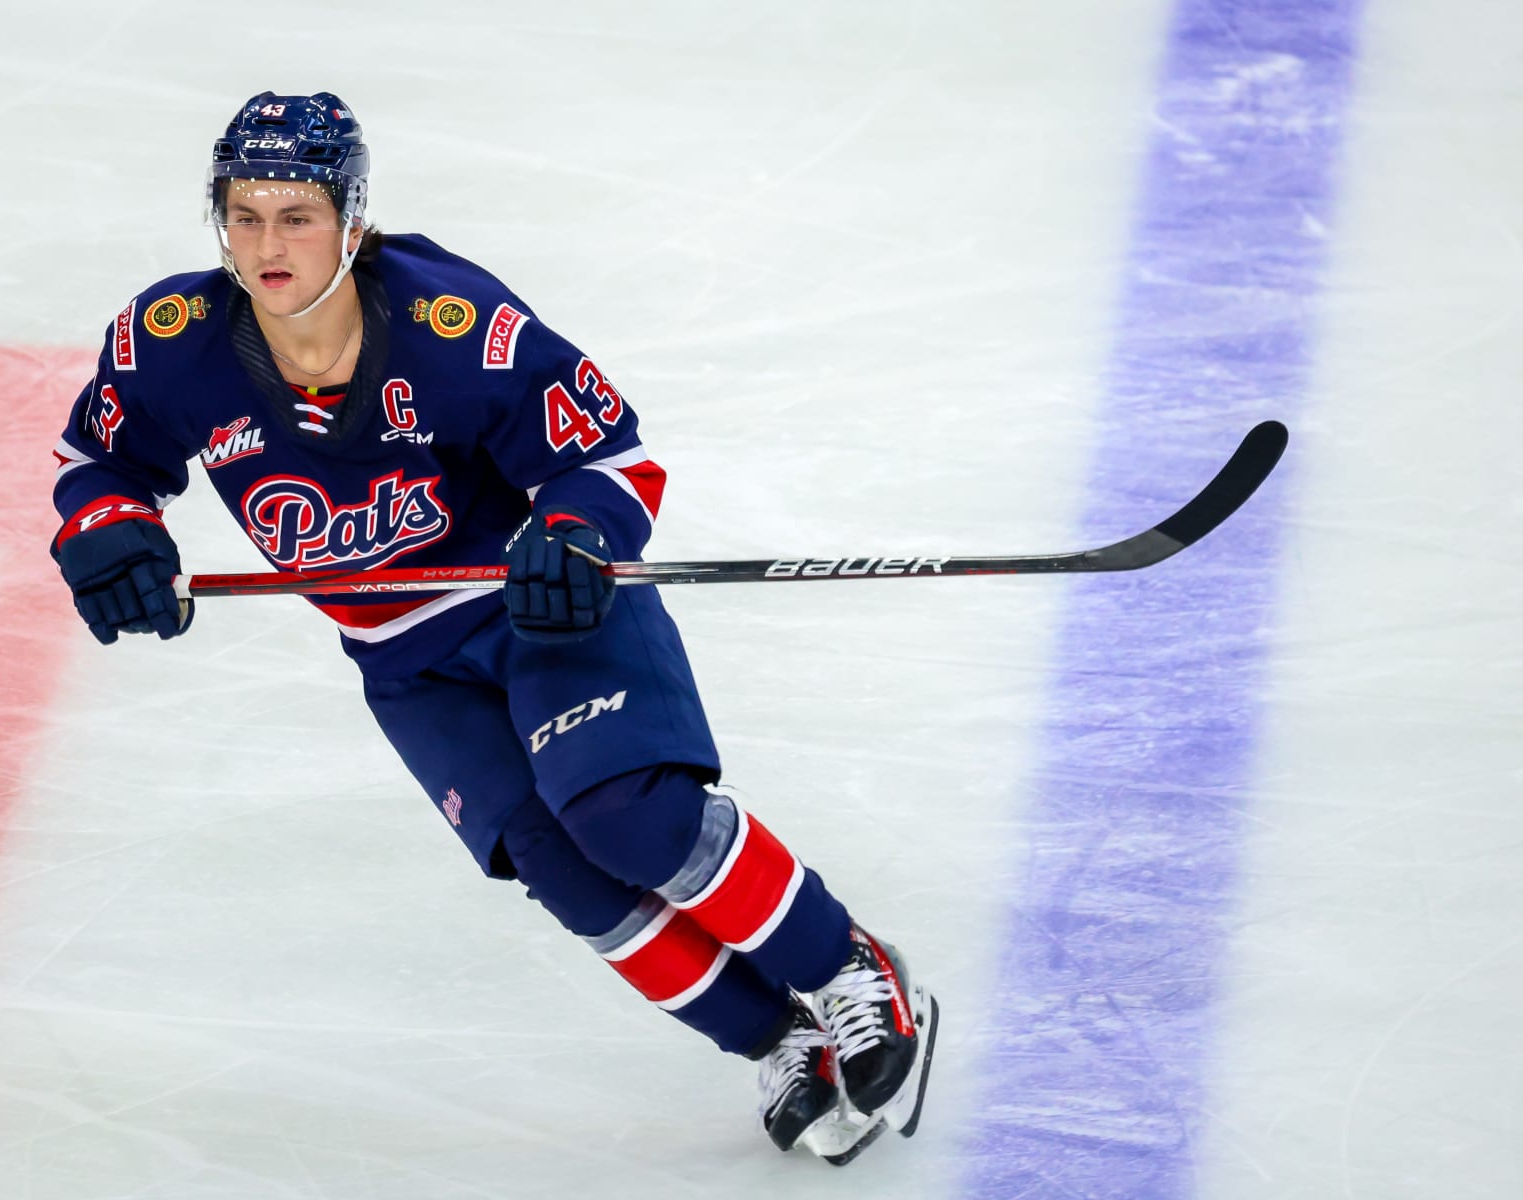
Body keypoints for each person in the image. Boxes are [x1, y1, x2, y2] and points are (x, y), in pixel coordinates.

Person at [48, 90, 935, 1163]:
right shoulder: (171, 342)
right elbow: (100, 461)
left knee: (625, 815)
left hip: (533, 612)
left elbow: (609, 453)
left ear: (352, 219)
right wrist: (107, 531)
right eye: (243, 214)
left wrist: (571, 528)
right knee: (560, 866)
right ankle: (773, 1042)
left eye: (296, 214)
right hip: (404, 661)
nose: (267, 243)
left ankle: (848, 969)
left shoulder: (448, 323)